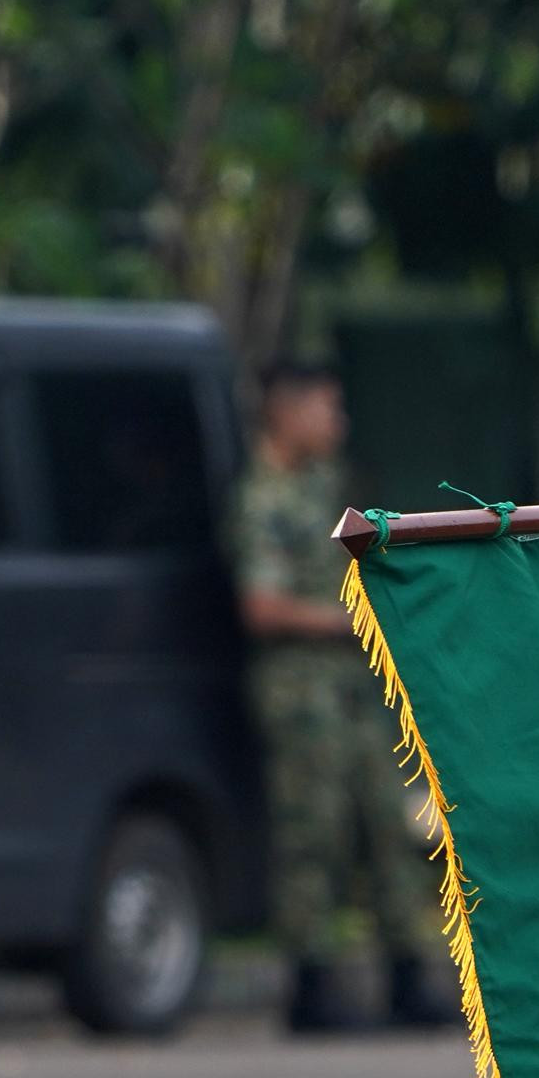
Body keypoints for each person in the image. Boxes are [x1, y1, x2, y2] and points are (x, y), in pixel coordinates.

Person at [228, 362, 445, 1034]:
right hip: (302, 691)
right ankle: (312, 986)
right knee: (312, 835)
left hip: (353, 687)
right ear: (285, 414)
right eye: (326, 409)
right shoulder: (264, 500)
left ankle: (407, 976)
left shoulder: (327, 487)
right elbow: (261, 608)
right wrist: (352, 620)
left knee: (388, 825)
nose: (337, 423)